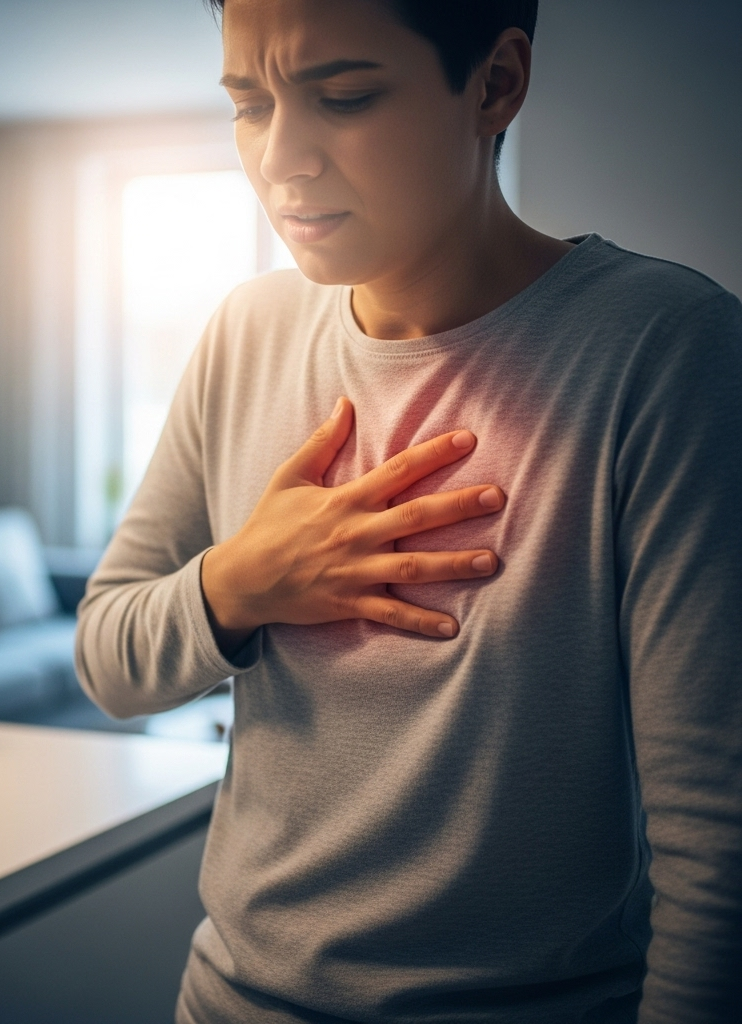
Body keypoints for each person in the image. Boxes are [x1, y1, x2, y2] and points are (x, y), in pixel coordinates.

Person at [75, 1, 742, 1020]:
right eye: (248, 103)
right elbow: (107, 659)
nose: (280, 160)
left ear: (495, 84)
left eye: (342, 96)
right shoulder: (242, 332)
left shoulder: (663, 348)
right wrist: (239, 583)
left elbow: (716, 831)